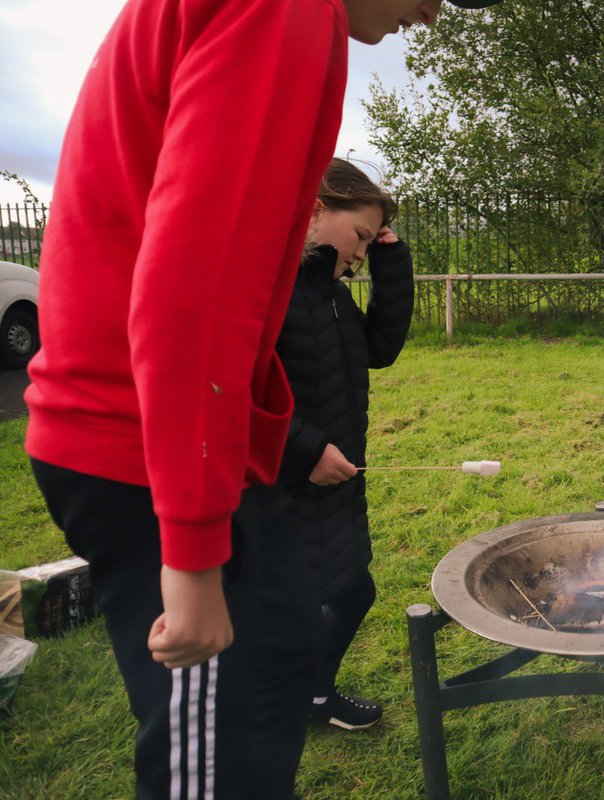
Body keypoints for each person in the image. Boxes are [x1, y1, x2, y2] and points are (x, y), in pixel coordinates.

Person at [24, 1, 500, 796]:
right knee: (221, 763)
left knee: (281, 664)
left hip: (183, 440)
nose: (433, 14)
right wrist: (194, 556)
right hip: (144, 443)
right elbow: (194, 288)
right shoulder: (285, 11)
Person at [273, 158, 413, 731]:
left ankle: (310, 697)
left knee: (352, 590)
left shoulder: (327, 293)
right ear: (314, 210)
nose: (359, 252)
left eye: (368, 242)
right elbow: (226, 390)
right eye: (359, 235)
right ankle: (287, 704)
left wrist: (390, 261)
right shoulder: (270, 286)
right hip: (283, 486)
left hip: (333, 481)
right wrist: (306, 451)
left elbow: (378, 347)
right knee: (294, 609)